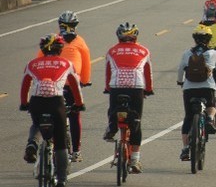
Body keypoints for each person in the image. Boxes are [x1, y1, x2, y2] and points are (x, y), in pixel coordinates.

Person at [20, 34, 85, 187]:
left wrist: (24, 103)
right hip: (56, 103)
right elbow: (75, 86)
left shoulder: (32, 64)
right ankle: (62, 184)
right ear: (60, 49)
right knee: (61, 144)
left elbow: (25, 85)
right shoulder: (66, 64)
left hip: (36, 102)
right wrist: (79, 103)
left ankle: (32, 145)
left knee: (36, 124)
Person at [26, 11, 92, 164]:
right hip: (69, 85)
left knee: (40, 119)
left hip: (46, 86)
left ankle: (36, 143)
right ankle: (76, 151)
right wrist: (85, 81)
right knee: (74, 116)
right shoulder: (80, 42)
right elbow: (86, 63)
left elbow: (38, 61)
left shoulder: (52, 41)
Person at [103, 22, 154, 174]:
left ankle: (112, 128)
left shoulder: (111, 51)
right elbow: (148, 74)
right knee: (136, 122)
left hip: (116, 87)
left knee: (113, 111)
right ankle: (135, 160)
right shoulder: (144, 51)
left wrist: (108, 88)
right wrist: (149, 89)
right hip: (136, 89)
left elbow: (108, 73)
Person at [177, 24, 216, 160]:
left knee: (188, 117)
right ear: (209, 39)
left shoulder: (187, 53)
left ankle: (185, 148)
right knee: (212, 106)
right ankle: (210, 120)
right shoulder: (213, 53)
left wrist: (180, 81)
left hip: (189, 88)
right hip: (207, 87)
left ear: (194, 39)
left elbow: (180, 70)